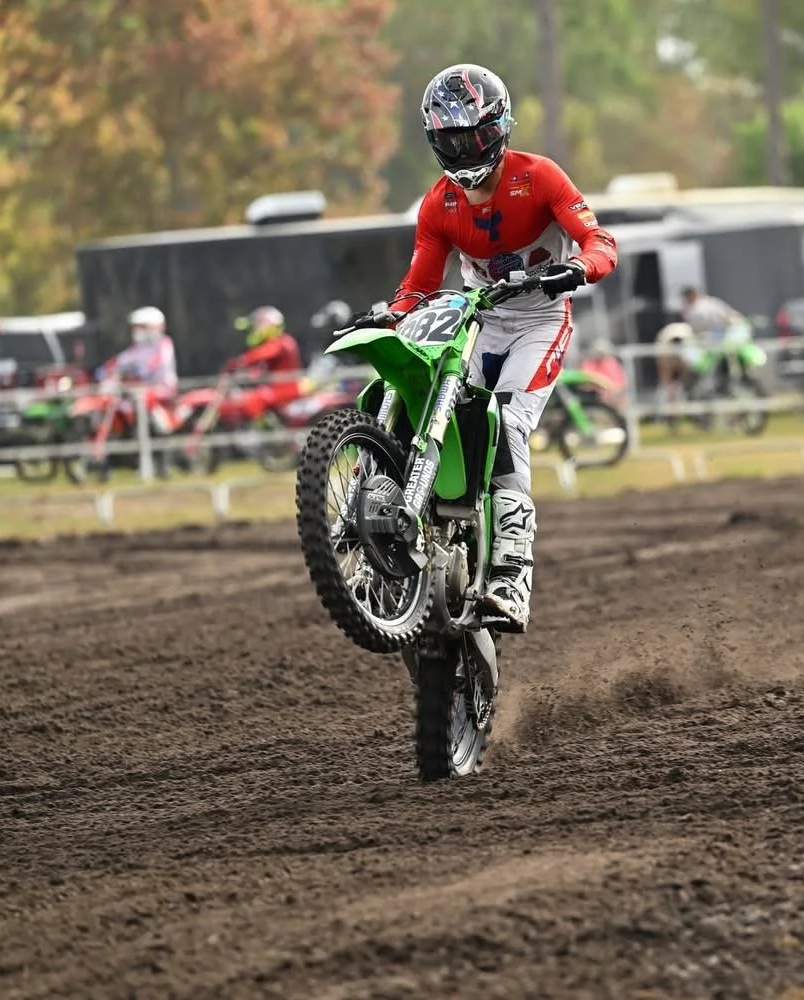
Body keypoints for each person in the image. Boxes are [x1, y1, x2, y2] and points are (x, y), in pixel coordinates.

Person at [363, 63, 618, 633]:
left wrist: (576, 268)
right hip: (478, 316)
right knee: (436, 404)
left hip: (541, 316)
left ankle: (512, 572)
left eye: (472, 136)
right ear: (434, 142)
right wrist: (388, 313)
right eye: (450, 141)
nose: (463, 150)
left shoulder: (541, 176)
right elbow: (420, 287)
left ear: (498, 128)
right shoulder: (437, 206)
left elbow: (600, 240)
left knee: (505, 423)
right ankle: (414, 518)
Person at [94, 306, 179, 435]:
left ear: (153, 327)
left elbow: (153, 364)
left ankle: (161, 429)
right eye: (135, 327)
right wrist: (103, 371)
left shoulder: (163, 344)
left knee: (141, 398)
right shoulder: (138, 349)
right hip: (139, 387)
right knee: (122, 399)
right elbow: (119, 361)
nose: (136, 331)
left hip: (162, 389)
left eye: (141, 327)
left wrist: (137, 372)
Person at [224, 306, 304, 424]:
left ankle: (261, 433)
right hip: (277, 389)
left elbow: (262, 354)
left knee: (253, 400)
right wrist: (246, 374)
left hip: (285, 390)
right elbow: (261, 369)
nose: (256, 329)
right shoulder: (275, 343)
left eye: (259, 325)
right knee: (249, 396)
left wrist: (240, 361)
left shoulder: (283, 342)